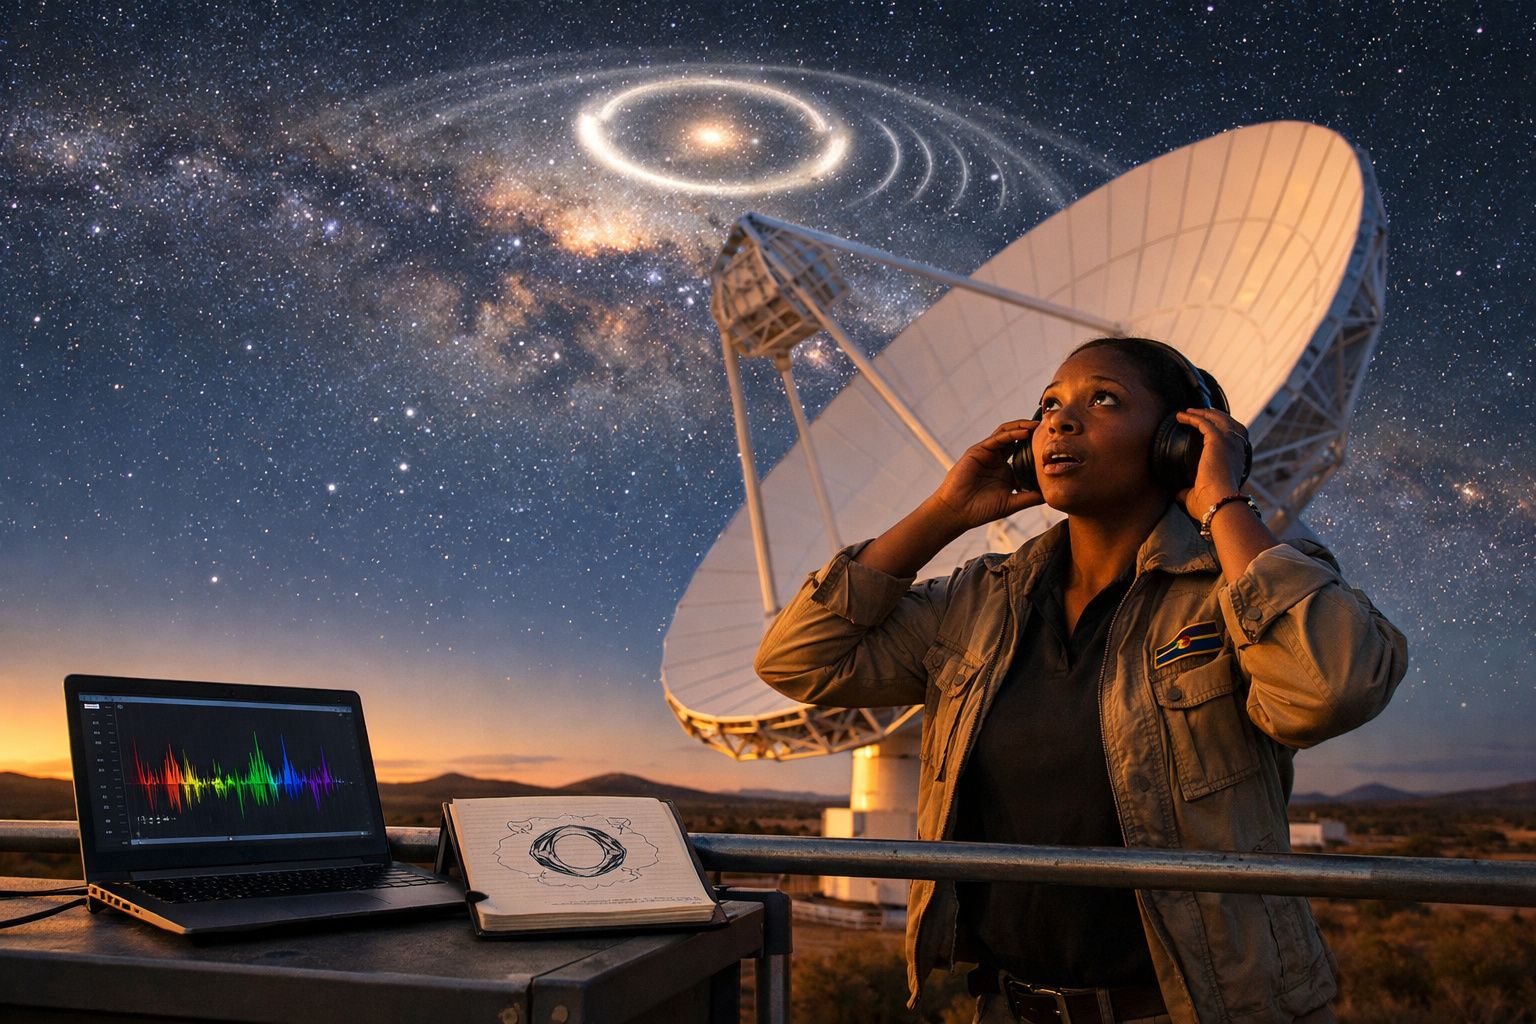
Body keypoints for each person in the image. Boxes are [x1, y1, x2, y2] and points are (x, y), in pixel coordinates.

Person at [754, 337, 1408, 1024]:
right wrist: (944, 513)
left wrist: (1223, 504)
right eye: (1048, 406)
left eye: (1102, 399)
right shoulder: (979, 602)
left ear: (1177, 442)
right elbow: (799, 659)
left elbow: (1333, 686)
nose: (1059, 424)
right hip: (1011, 1008)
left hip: (1202, 1011)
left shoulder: (1244, 584)